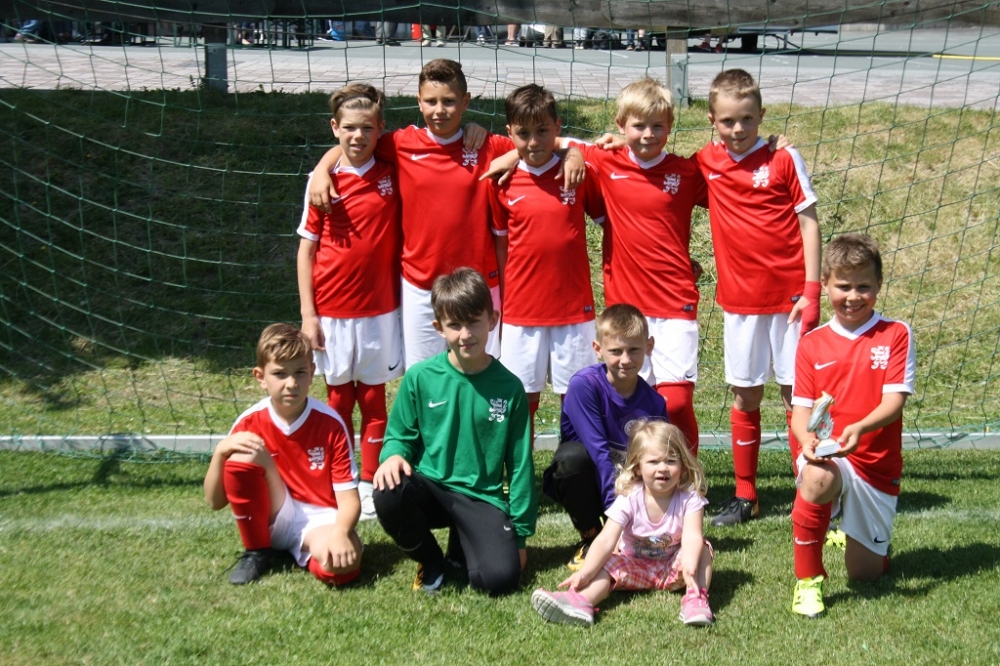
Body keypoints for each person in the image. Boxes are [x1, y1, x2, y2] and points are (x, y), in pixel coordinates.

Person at [308, 60, 583, 372]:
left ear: (465, 102)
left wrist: (572, 153)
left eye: (449, 101)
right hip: (421, 285)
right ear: (419, 101)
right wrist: (322, 168)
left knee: (482, 377)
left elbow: (539, 143)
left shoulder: (486, 145)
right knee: (426, 377)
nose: (440, 110)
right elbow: (355, 144)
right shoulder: (400, 144)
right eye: (431, 101)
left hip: (478, 284)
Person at [695, 68, 822, 526]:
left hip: (791, 301)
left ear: (762, 115)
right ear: (712, 120)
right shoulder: (705, 162)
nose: (738, 129)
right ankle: (745, 495)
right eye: (728, 120)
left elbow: (809, 221)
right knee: (745, 396)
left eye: (747, 119)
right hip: (740, 304)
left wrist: (812, 291)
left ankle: (809, 488)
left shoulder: (784, 158)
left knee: (797, 399)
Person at [371, 267, 537, 595]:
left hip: (480, 496)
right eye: (455, 325)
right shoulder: (420, 377)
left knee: (499, 579)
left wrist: (519, 537)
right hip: (430, 488)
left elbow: (520, 466)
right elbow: (398, 436)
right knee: (389, 491)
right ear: (439, 328)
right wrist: (392, 455)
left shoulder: (510, 388)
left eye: (474, 322)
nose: (465, 334)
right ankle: (430, 559)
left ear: (492, 320)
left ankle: (462, 544)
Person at [787, 234, 915, 618]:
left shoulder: (896, 334)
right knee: (817, 478)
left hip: (875, 463)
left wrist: (859, 428)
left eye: (864, 287)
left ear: (879, 285)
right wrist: (805, 439)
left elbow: (894, 402)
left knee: (865, 575)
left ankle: (861, 538)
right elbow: (800, 410)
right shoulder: (811, 343)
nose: (853, 296)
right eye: (843, 286)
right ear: (825, 284)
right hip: (831, 457)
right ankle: (808, 581)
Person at [297, 83, 402, 521]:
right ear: (334, 128)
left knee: (374, 400)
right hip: (332, 313)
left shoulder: (393, 172)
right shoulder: (321, 183)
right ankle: (339, 479)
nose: (358, 136)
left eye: (367, 128)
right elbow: (305, 251)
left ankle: (371, 481)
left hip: (380, 312)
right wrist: (309, 315)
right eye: (349, 128)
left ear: (380, 129)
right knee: (338, 400)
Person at [203, 323, 362, 586]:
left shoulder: (331, 423)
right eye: (279, 374)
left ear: (312, 372)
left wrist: (342, 533)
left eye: (300, 372)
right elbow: (214, 501)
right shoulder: (248, 422)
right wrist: (220, 453)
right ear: (260, 377)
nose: (291, 384)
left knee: (342, 566)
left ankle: (309, 553)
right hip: (272, 517)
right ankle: (257, 551)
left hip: (319, 521)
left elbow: (349, 500)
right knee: (243, 455)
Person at [488, 83, 606, 436]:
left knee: (578, 399)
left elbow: (612, 225)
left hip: (573, 309)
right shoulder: (502, 182)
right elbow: (501, 248)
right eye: (523, 133)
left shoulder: (578, 174)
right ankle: (519, 467)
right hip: (522, 312)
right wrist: (505, 305)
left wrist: (574, 152)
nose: (534, 141)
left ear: (557, 127)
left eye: (542, 131)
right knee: (520, 400)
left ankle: (573, 466)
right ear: (510, 133)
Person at [531, 420, 714, 627]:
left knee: (703, 549)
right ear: (638, 467)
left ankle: (696, 598)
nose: (663, 468)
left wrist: (689, 564)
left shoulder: (690, 498)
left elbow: (692, 536)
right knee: (608, 562)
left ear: (682, 466)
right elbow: (606, 539)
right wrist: (585, 572)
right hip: (632, 567)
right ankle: (581, 601)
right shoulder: (629, 497)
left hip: (672, 568)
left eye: (671, 461)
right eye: (654, 462)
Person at [543, 304, 669, 570]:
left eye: (634, 350)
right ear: (598, 349)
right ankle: (591, 535)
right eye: (616, 351)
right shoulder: (584, 386)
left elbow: (661, 461)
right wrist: (616, 520)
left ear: (649, 346)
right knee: (571, 459)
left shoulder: (655, 403)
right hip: (590, 481)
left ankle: (636, 534)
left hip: (630, 487)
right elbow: (599, 454)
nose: (626, 359)